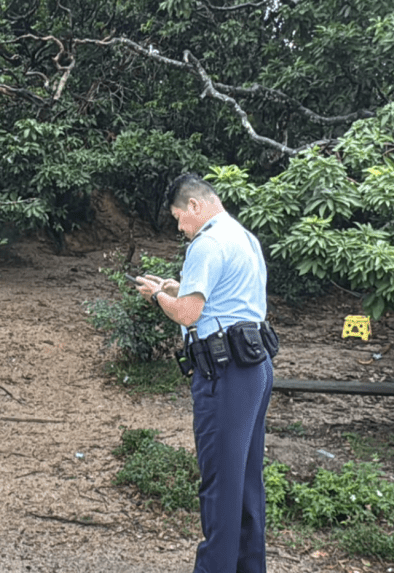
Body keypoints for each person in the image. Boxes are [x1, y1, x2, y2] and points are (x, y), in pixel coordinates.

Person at [133, 173, 273, 573]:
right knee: (246, 483)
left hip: (224, 376)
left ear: (194, 206)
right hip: (255, 367)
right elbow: (227, 300)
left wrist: (159, 296)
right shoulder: (243, 237)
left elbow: (189, 313)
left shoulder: (206, 242)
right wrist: (177, 287)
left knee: (219, 488)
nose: (180, 227)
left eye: (179, 217)